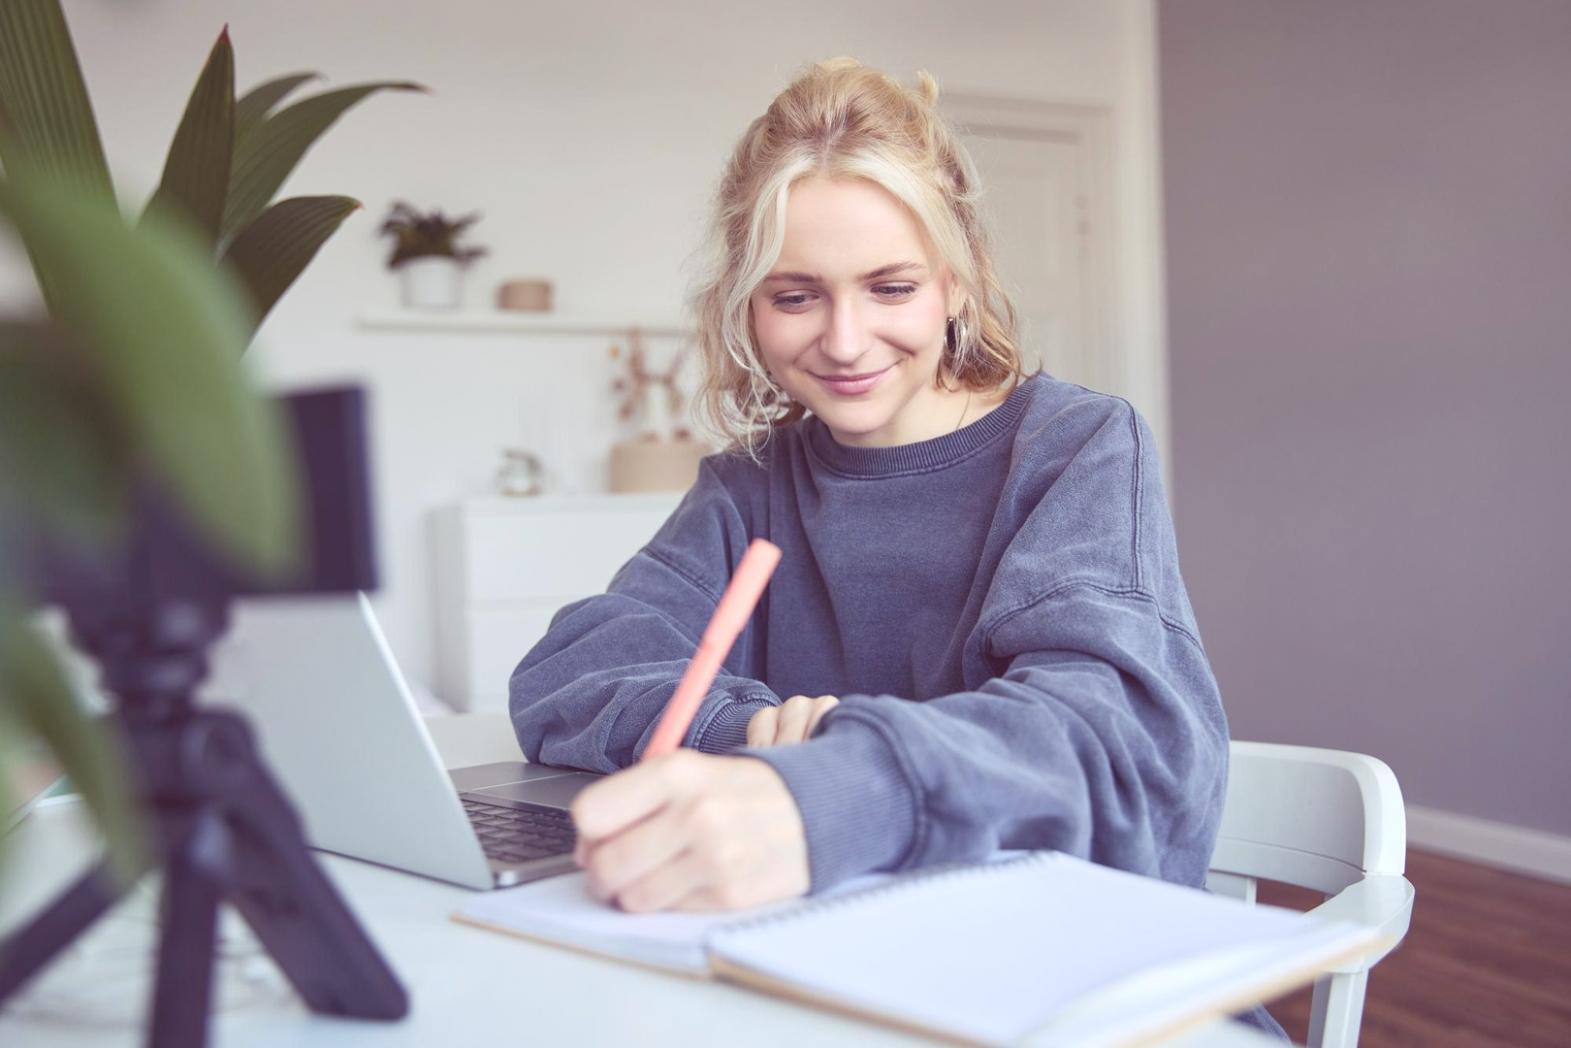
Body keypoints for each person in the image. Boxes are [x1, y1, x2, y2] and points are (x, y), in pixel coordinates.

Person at [509, 55, 1284, 1039]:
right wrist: (752, 732)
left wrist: (828, 788)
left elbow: (1110, 733)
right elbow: (571, 668)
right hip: (844, 978)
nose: (842, 339)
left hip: (1079, 987)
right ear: (744, 306)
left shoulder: (1076, 446)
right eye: (794, 296)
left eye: (889, 286)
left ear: (954, 285)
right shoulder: (750, 485)